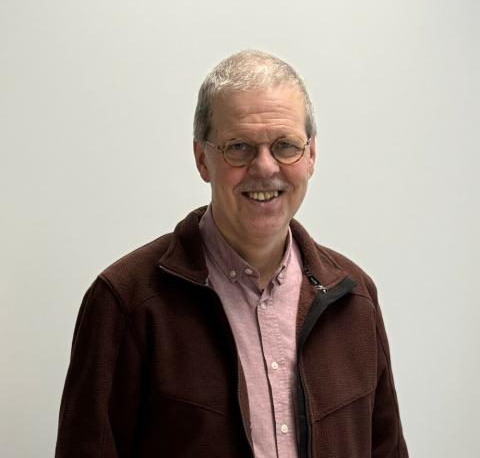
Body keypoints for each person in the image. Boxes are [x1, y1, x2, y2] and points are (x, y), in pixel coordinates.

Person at [55, 50, 408, 458]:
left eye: (285, 146)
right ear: (202, 158)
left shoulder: (355, 299)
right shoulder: (126, 302)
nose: (265, 167)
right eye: (239, 147)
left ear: (311, 154)